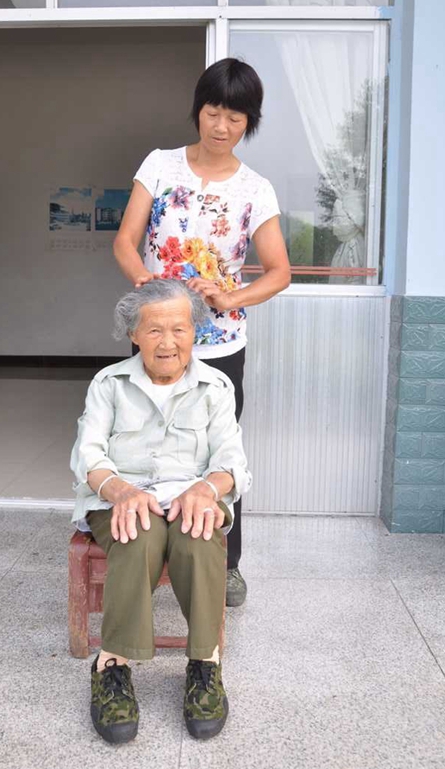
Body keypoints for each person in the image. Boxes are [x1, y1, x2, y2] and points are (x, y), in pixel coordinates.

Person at [113, 57, 291, 607]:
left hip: (220, 344)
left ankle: (227, 563)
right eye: (213, 112)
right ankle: (139, 548)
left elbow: (279, 271)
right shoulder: (160, 165)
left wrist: (231, 297)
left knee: (219, 450)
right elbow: (125, 241)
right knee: (141, 437)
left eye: (235, 118)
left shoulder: (256, 189)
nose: (221, 126)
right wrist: (145, 282)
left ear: (249, 122)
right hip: (156, 334)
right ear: (198, 111)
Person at [71, 280, 251, 744]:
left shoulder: (216, 387)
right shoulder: (109, 384)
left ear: (195, 332)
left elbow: (232, 462)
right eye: (154, 330)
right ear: (134, 334)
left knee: (198, 533)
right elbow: (88, 455)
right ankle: (112, 665)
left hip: (192, 496)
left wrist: (206, 489)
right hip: (119, 498)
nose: (168, 342)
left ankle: (205, 663)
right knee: (139, 531)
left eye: (179, 329)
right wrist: (120, 490)